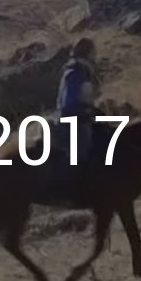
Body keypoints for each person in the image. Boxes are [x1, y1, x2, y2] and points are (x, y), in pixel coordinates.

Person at [55, 38, 101, 180]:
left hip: (79, 116)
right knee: (80, 154)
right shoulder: (77, 72)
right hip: (74, 120)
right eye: (93, 51)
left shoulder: (80, 70)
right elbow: (70, 101)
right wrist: (86, 110)